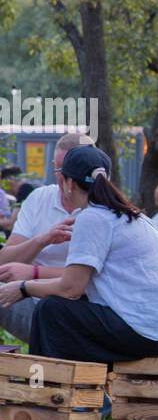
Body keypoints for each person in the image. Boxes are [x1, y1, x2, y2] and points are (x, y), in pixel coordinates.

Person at [0, 145, 158, 363]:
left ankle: (50, 389)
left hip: (145, 332)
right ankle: (87, 391)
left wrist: (24, 288)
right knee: (67, 312)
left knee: (50, 310)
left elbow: (70, 288)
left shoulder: (93, 217)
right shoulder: (133, 216)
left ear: (69, 183)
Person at [0, 132, 96, 341]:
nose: (63, 177)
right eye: (58, 169)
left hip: (81, 311)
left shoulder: (99, 211)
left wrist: (33, 272)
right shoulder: (39, 198)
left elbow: (90, 281)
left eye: (70, 170)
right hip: (33, 303)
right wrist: (42, 240)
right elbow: (4, 261)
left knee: (53, 308)